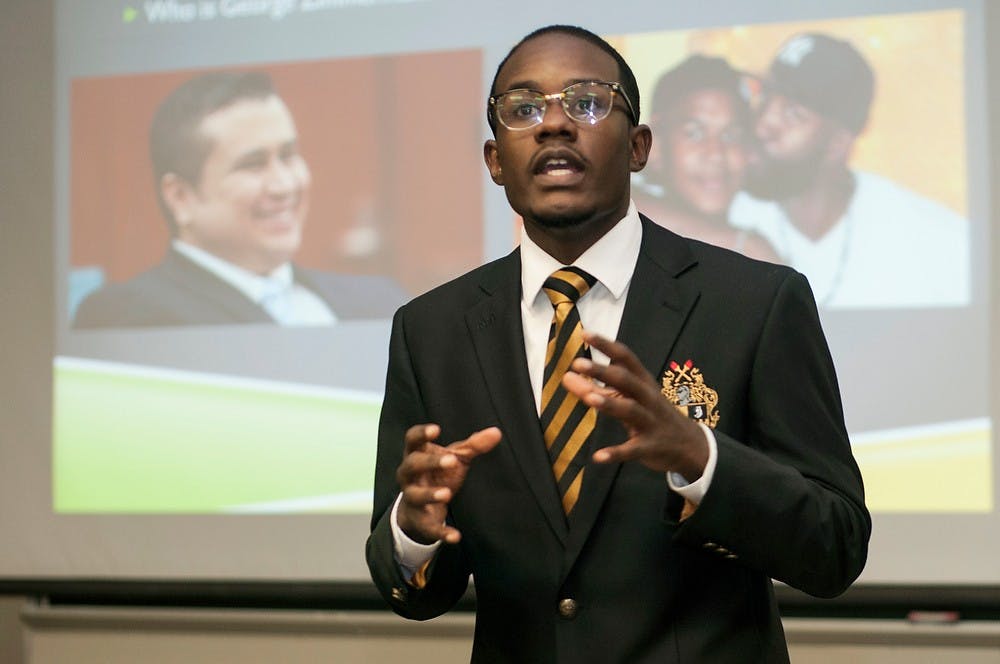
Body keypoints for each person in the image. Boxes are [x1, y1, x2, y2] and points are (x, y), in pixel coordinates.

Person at [367, 25, 869, 663]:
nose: (553, 125)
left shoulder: (755, 302)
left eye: (587, 102)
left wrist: (701, 458)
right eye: (523, 110)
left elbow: (836, 548)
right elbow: (411, 591)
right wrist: (414, 530)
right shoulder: (432, 329)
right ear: (495, 160)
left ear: (638, 147)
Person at [73, 71, 406, 328]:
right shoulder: (127, 314)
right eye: (253, 164)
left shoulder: (380, 302)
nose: (284, 185)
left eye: (288, 156)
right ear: (181, 197)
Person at [729, 33, 969, 308]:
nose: (761, 126)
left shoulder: (938, 243)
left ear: (837, 144)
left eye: (793, 114)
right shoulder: (717, 212)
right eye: (765, 96)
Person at [633, 55, 778, 262]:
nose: (716, 153)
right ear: (654, 144)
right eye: (694, 133)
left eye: (731, 136)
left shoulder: (766, 221)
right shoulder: (623, 232)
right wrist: (740, 245)